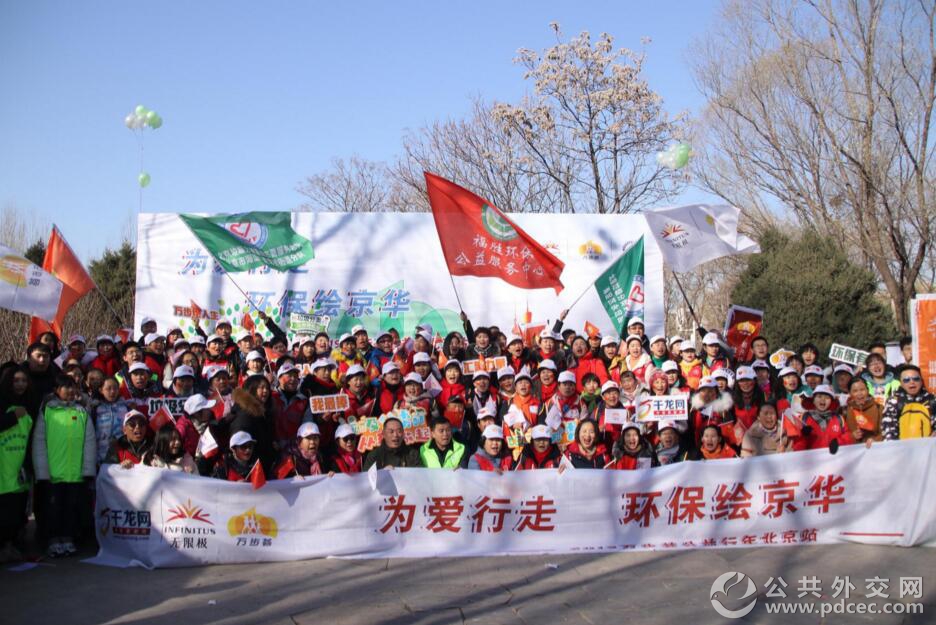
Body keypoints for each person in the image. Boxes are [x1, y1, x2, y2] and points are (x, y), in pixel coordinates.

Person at [31, 375, 96, 558]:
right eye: (66, 387)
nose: (70, 391)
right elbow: (39, 443)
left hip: (75, 473)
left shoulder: (82, 412)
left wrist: (87, 469)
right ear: (56, 390)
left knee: (70, 508)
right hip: (53, 473)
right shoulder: (47, 411)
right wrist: (42, 471)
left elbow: (89, 443)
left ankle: (68, 538)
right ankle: (52, 539)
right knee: (52, 508)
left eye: (72, 387)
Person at [0, 367, 34, 562]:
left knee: (17, 511)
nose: (20, 384)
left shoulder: (29, 403)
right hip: (3, 467)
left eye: (24, 380)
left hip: (19, 467)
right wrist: (14, 416)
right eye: (16, 380)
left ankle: (11, 545)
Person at [228, 375, 276, 470]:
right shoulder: (245, 414)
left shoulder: (264, 411)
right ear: (252, 389)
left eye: (267, 388)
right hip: (250, 468)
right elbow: (240, 446)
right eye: (261, 387)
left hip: (263, 464)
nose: (265, 391)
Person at [787, 385, 853, 451]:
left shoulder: (839, 419)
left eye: (827, 397)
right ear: (813, 400)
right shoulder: (803, 418)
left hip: (833, 457)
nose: (823, 399)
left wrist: (838, 442)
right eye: (819, 396)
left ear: (831, 402)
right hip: (812, 457)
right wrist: (803, 435)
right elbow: (795, 443)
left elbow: (848, 437)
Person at [881, 365, 936, 440]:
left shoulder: (932, 400)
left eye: (916, 379)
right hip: (902, 445)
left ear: (921, 381)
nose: (912, 382)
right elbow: (888, 428)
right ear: (901, 383)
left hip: (929, 445)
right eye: (906, 380)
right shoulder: (894, 401)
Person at [844, 376, 884, 444]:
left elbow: (885, 432)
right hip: (854, 448)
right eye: (855, 391)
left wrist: (875, 440)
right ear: (850, 393)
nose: (859, 394)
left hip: (875, 448)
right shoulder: (845, 411)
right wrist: (852, 436)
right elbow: (840, 436)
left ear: (868, 390)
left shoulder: (879, 408)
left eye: (862, 390)